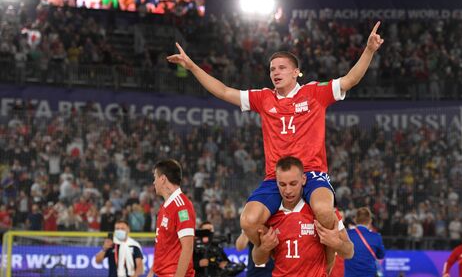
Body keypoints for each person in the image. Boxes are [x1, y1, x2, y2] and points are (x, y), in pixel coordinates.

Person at [166, 22, 384, 255]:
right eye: (272, 69)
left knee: (323, 209)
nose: (275, 73)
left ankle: (327, 260)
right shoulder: (263, 98)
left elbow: (350, 79)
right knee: (248, 221)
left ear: (295, 72)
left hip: (312, 173)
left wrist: (369, 50)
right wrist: (192, 67)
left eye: (281, 68)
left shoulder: (314, 93)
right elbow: (224, 91)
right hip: (275, 178)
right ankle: (270, 253)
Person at [252, 156, 354, 277]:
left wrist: (337, 243)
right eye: (282, 184)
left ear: (304, 179)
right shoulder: (270, 214)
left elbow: (349, 252)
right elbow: (258, 260)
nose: (288, 190)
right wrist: (264, 248)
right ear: (276, 183)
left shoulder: (323, 212)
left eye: (293, 183)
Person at [149, 159, 196, 277]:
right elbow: (162, 244)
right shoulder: (165, 206)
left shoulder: (182, 206)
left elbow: (187, 247)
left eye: (155, 177)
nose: (154, 182)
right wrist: (152, 271)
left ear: (163, 179)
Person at [344, 207, 385, 277]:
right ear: (370, 221)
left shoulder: (347, 234)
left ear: (355, 220)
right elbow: (381, 255)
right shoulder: (376, 237)